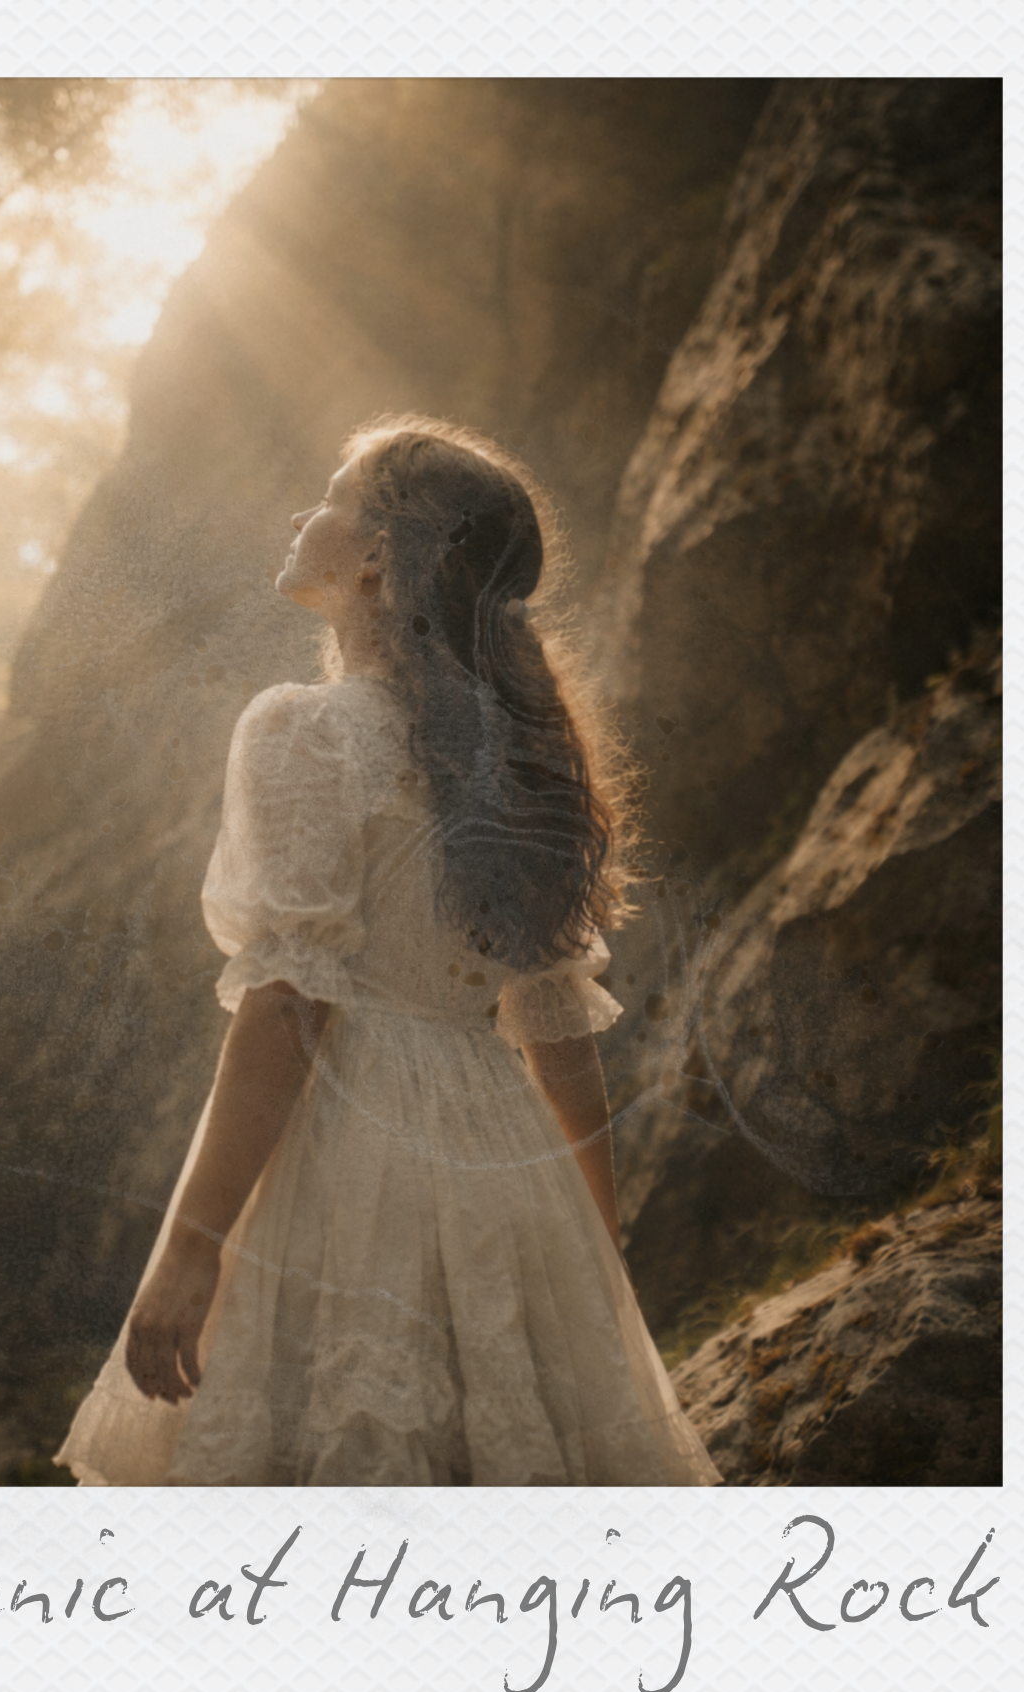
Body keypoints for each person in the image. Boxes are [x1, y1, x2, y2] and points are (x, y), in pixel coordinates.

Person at [54, 416, 720, 1486]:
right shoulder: (513, 756)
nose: (297, 514)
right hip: (504, 1168)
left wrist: (191, 1248)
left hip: (347, 1155)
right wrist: (590, 1265)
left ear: (375, 555)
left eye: (328, 495)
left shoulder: (305, 732)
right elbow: (556, 1034)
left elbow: (286, 1007)